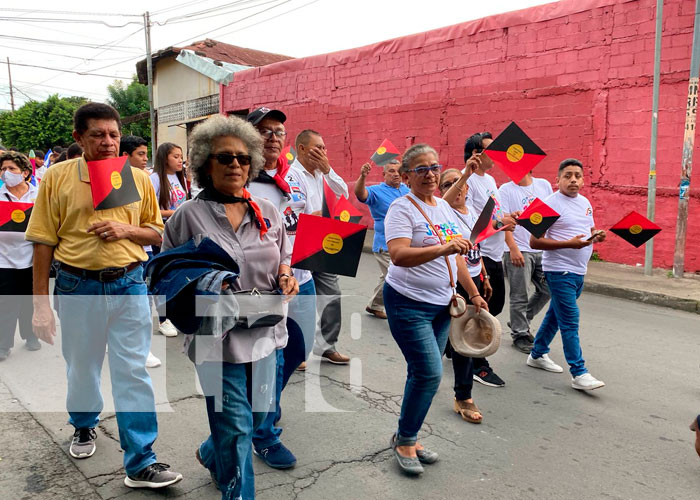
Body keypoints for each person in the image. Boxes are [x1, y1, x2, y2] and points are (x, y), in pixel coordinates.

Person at [26, 102, 182, 488]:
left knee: (132, 371)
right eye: (98, 135)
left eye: (113, 135)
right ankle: (83, 423)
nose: (109, 142)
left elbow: (156, 232)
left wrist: (126, 230)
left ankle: (142, 461)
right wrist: (40, 304)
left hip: (129, 283)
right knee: (82, 367)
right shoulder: (58, 178)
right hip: (77, 287)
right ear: (79, 138)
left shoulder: (138, 178)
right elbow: (43, 241)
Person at [162, 114, 298, 499]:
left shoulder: (266, 212)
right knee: (237, 427)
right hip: (213, 337)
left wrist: (286, 276)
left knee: (256, 417)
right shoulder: (189, 215)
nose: (235, 165)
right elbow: (167, 272)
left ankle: (211, 451)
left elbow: (283, 254)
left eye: (241, 157)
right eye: (224, 158)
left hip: (265, 329)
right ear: (206, 163)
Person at [384, 144, 488, 476]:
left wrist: (472, 293)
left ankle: (408, 436)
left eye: (434, 167)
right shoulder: (401, 209)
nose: (430, 174)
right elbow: (399, 255)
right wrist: (444, 246)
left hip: (444, 305)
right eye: (421, 169)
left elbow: (457, 257)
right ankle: (405, 440)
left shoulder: (441, 208)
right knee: (429, 372)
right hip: (407, 304)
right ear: (405, 177)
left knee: (422, 374)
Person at [245, 107, 317, 469]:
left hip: (302, 277)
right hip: (264, 286)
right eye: (265, 131)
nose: (273, 137)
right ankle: (264, 433)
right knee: (266, 359)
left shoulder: (298, 177)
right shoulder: (242, 177)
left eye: (278, 132)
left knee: (299, 348)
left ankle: (262, 408)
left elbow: (317, 218)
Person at [444, 132, 516, 388]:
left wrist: (507, 218)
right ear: (476, 153)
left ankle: (455, 345)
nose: (496, 153)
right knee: (482, 309)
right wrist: (499, 223)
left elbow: (488, 214)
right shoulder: (469, 181)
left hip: (490, 254)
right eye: (490, 149)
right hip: (477, 253)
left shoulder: (491, 180)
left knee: (494, 305)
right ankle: (477, 363)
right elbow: (469, 221)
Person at [527, 158, 606, 391]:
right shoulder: (548, 203)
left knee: (555, 315)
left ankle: (537, 353)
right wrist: (569, 245)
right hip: (559, 270)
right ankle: (579, 372)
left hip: (579, 271)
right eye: (568, 175)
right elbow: (534, 241)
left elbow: (588, 229)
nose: (573, 179)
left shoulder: (585, 202)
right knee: (570, 321)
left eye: (578, 176)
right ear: (558, 179)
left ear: (583, 180)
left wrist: (596, 235)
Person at [289, 129, 351, 364]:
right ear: (302, 149)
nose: (323, 152)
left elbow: (343, 193)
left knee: (331, 294)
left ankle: (326, 345)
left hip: (322, 240)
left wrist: (327, 169)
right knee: (298, 299)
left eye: (324, 148)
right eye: (318, 148)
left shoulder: (321, 174)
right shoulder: (291, 175)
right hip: (298, 242)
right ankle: (295, 349)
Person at [438, 168, 493, 424]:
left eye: (460, 183)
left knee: (462, 342)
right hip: (454, 284)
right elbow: (457, 259)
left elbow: (475, 248)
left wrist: (484, 276)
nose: (457, 188)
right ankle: (461, 395)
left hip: (475, 279)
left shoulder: (472, 213)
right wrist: (471, 293)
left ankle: (462, 395)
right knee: (457, 345)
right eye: (449, 184)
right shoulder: (443, 213)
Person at [499, 169, 553, 353]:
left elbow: (550, 216)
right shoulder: (505, 190)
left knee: (548, 289)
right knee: (519, 295)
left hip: (540, 247)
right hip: (518, 248)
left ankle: (519, 320)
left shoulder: (543, 185)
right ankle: (520, 334)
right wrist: (512, 248)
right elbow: (504, 221)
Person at [120, 134, 161, 369]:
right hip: (125, 256)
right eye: (141, 154)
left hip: (143, 253)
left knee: (143, 304)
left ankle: (142, 349)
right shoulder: (119, 180)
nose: (145, 159)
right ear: (125, 157)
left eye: (147, 154)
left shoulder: (144, 179)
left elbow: (152, 224)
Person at [354, 158, 409, 319]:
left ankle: (374, 305)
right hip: (384, 245)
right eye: (391, 171)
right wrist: (363, 176)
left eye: (399, 171)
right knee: (398, 276)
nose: (396, 174)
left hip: (405, 243)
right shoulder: (376, 191)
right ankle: (403, 311)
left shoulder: (406, 190)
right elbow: (360, 194)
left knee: (387, 276)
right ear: (384, 174)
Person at [0, 151, 41, 361]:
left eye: (12, 169)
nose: (6, 173)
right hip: (4, 259)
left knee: (29, 301)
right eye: (3, 169)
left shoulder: (38, 194)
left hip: (32, 258)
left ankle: (31, 335)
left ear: (25, 172)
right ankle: (3, 344)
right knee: (6, 303)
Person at [149, 142, 188, 337]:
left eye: (181, 156)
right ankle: (164, 319)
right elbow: (151, 209)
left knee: (179, 276)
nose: (180, 160)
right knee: (163, 277)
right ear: (165, 158)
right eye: (176, 156)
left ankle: (178, 315)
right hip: (163, 234)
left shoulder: (181, 178)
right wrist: (175, 212)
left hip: (180, 233)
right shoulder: (155, 178)